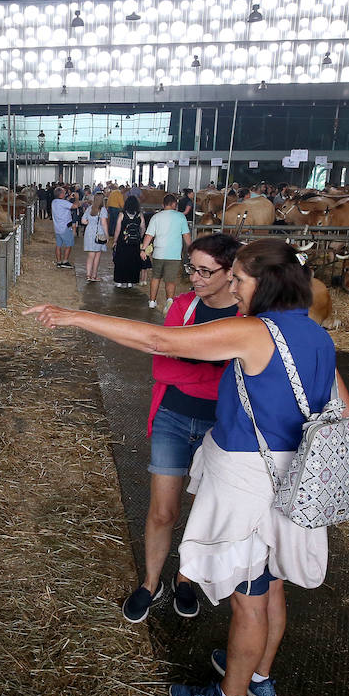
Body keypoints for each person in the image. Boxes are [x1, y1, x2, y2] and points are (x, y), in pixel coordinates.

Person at [26, 239, 349, 696]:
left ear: (263, 284)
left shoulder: (253, 332)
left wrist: (75, 316)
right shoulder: (317, 337)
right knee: (273, 585)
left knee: (249, 596)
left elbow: (162, 342)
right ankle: (259, 678)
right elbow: (343, 414)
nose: (234, 288)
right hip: (298, 482)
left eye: (239, 279)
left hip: (249, 481)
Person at [120, 233, 242, 623]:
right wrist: (212, 366)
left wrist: (187, 363)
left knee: (203, 510)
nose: (196, 278)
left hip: (220, 427)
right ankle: (150, 582)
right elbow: (162, 366)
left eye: (206, 271)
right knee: (162, 510)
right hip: (173, 417)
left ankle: (185, 578)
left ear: (230, 273)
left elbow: (237, 379)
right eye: (193, 268)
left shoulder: (247, 315)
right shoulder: (184, 306)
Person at [143, 194, 192, 311]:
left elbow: (149, 235)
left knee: (155, 277)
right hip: (174, 254)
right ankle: (169, 301)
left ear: (162, 205)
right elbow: (186, 235)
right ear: (175, 204)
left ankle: (152, 301)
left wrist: (143, 249)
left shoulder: (156, 217)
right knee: (170, 280)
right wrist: (191, 249)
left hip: (158, 253)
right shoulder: (181, 217)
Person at [111, 195, 144, 288]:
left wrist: (115, 240)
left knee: (121, 261)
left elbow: (117, 229)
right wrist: (139, 238)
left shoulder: (122, 214)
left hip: (123, 242)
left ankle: (119, 281)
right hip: (135, 243)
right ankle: (131, 281)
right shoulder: (139, 214)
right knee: (133, 261)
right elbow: (143, 228)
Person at [80, 192, 110, 282]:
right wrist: (107, 235)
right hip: (99, 233)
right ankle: (94, 276)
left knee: (90, 255)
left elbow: (83, 221)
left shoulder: (90, 208)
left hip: (89, 232)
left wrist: (90, 223)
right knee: (97, 256)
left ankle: (88, 275)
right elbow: (104, 223)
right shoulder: (103, 210)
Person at [51, 186, 79, 268]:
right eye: (64, 192)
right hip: (65, 227)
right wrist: (76, 198)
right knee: (69, 244)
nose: (65, 193)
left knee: (58, 245)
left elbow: (63, 203)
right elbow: (75, 206)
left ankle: (59, 261)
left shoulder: (54, 202)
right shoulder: (64, 203)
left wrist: (69, 198)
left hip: (57, 228)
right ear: (61, 194)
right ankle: (65, 261)